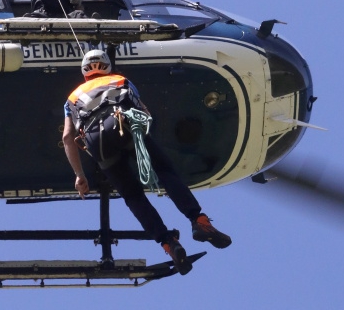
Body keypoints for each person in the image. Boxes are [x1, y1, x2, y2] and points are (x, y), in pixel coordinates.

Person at [61, 49, 231, 275]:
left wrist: (80, 175)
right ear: (107, 65)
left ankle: (169, 244)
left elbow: (66, 137)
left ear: (84, 71)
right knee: (164, 171)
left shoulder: (71, 98)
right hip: (124, 126)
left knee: (132, 196)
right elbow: (143, 111)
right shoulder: (120, 80)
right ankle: (198, 220)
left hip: (97, 145)